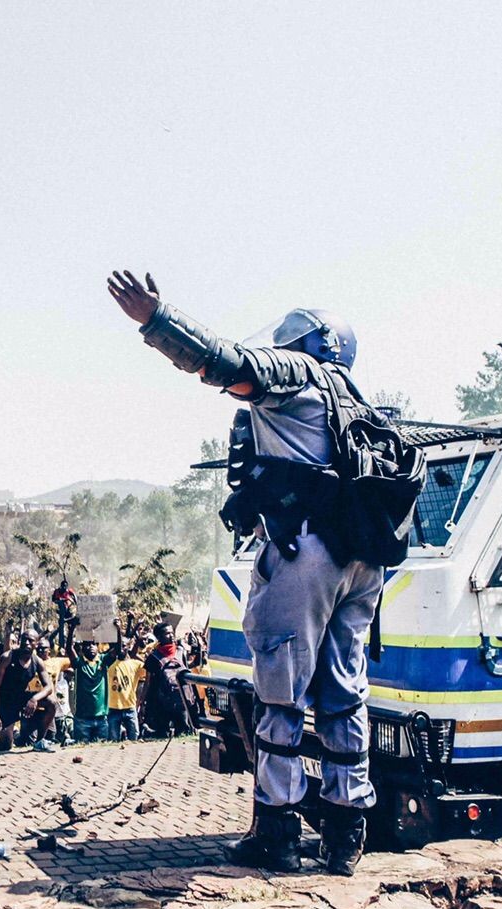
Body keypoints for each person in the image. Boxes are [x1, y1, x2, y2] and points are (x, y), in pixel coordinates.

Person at [111, 270, 388, 876]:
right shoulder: (357, 402)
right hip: (362, 561)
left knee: (280, 695)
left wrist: (157, 321)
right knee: (345, 694)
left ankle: (278, 833)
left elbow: (221, 362)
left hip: (305, 553)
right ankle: (346, 836)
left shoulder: (296, 380)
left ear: (304, 348)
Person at [71, 632, 120, 744]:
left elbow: (117, 649)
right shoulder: (79, 663)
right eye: (87, 644)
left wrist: (116, 630)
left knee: (101, 752)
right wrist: (72, 628)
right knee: (81, 750)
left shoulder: (103, 660)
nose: (91, 647)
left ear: (98, 647)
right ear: (82, 648)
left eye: (94, 644)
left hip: (101, 718)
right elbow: (69, 648)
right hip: (82, 719)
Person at [107, 640, 145, 742]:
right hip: (113, 708)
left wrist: (135, 654)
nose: (121, 649)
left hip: (130, 707)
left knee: (134, 739)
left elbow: (148, 669)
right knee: (113, 740)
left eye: (123, 646)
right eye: (118, 646)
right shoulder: (109, 664)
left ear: (128, 647)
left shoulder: (135, 664)